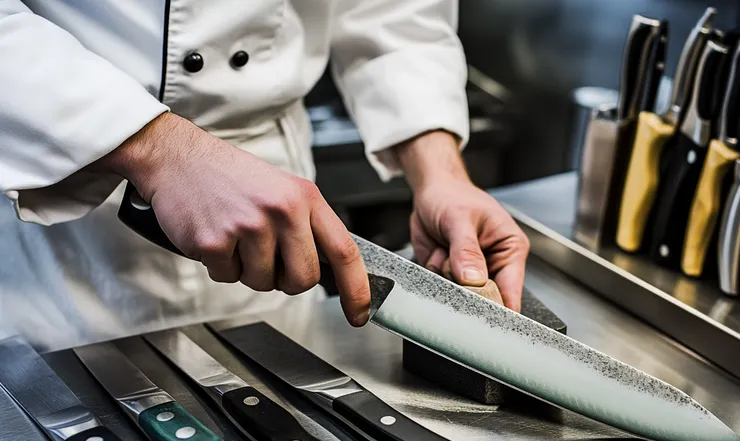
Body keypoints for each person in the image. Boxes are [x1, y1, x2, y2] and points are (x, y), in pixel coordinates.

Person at [0, 1, 529, 351]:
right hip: (57, 221)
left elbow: (395, 16)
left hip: (274, 240)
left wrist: (440, 171)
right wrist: (158, 148)